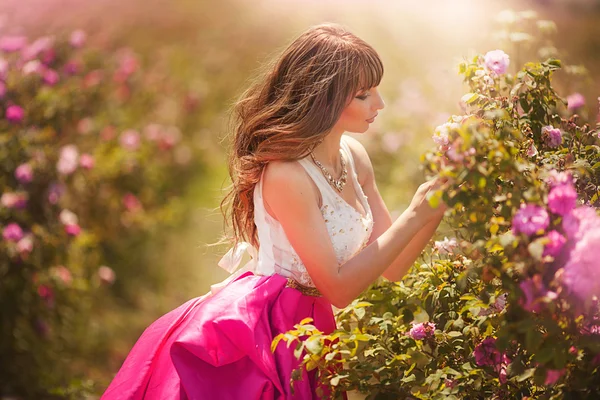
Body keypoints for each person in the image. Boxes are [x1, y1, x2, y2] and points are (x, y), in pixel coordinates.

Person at [102, 22, 446, 400]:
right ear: (325, 98)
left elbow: (393, 266)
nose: (379, 104)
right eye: (364, 95)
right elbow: (338, 287)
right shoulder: (287, 174)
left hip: (314, 325)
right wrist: (412, 215)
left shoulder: (354, 157)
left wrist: (432, 211)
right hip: (268, 326)